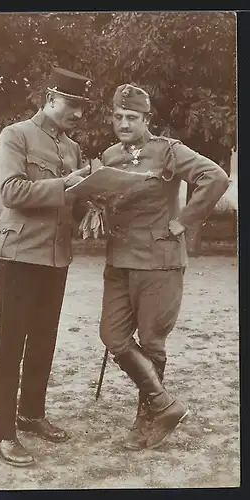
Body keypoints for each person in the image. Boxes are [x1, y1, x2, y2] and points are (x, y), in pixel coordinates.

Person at [97, 83, 229, 451]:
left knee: (153, 342)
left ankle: (147, 421)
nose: (124, 123)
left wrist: (183, 220)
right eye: (118, 116)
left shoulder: (169, 151)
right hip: (118, 261)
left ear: (146, 119)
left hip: (159, 262)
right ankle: (165, 403)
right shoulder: (108, 155)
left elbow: (215, 178)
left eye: (132, 118)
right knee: (112, 335)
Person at [0, 66, 93, 467]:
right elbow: (11, 192)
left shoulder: (72, 148)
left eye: (82, 107)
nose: (78, 114)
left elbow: (72, 201)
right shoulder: (15, 135)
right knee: (10, 343)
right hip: (18, 255)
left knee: (43, 341)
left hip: (55, 256)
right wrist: (68, 185)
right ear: (50, 98)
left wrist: (94, 193)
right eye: (71, 104)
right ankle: (1, 433)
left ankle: (31, 414)